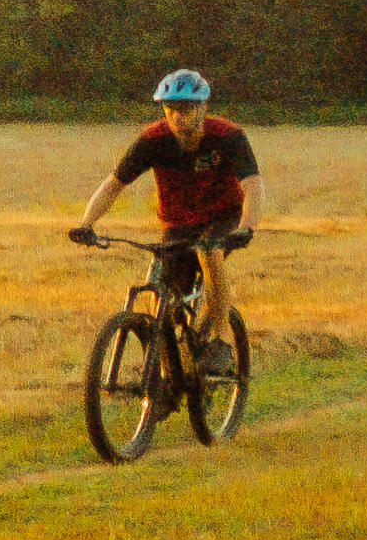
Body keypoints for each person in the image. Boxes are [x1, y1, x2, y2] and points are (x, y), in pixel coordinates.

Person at [72, 70, 260, 350]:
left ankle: (220, 341)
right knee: (163, 297)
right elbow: (113, 185)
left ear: (203, 107)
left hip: (223, 214)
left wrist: (247, 227)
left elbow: (253, 185)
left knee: (208, 251)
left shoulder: (227, 136)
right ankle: (165, 371)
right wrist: (86, 224)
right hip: (178, 221)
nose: (177, 115)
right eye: (170, 108)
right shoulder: (152, 140)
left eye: (185, 108)